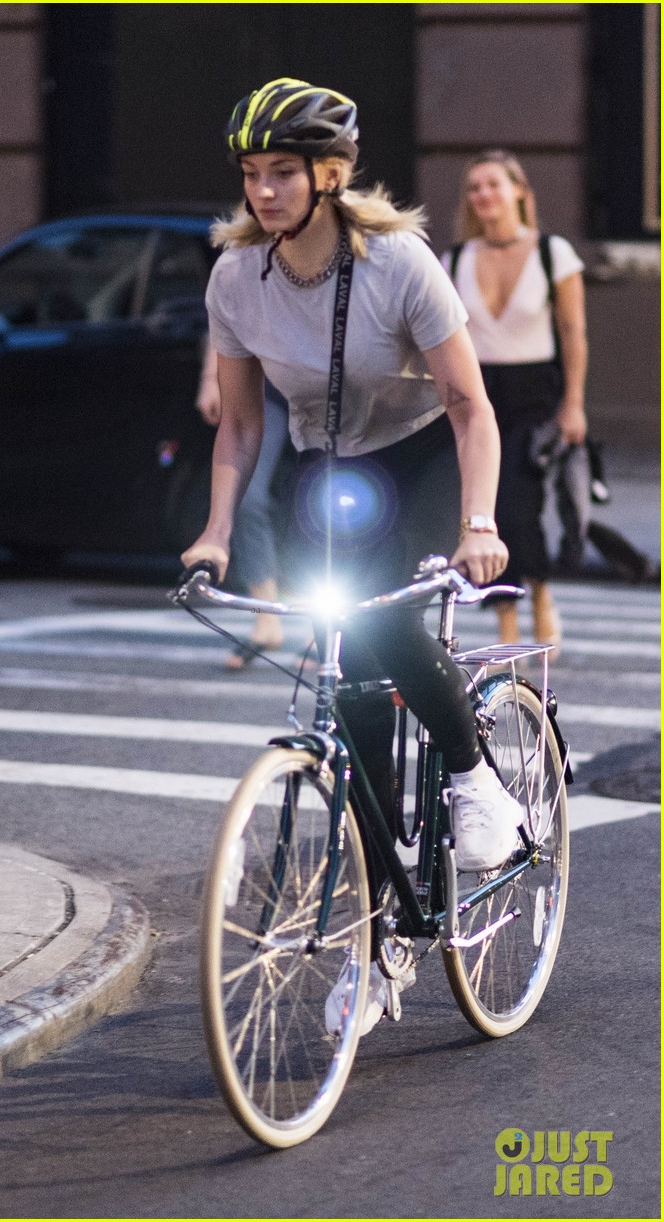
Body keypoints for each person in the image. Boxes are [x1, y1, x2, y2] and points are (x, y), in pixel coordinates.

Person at [181, 74, 525, 971]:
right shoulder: (236, 276)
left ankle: (473, 777)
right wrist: (217, 533)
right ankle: (383, 924)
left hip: (419, 457)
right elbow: (241, 425)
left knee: (387, 622)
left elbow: (470, 405)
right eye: (251, 173)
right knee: (348, 677)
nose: (262, 191)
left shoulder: (398, 263)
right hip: (325, 467)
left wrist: (478, 522)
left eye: (282, 172)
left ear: (328, 175)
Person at [441, 149, 589, 656]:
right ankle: (506, 622)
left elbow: (573, 333)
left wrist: (574, 403)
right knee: (489, 513)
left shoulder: (552, 252)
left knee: (520, 509)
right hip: (478, 395)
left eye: (493, 185)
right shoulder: (455, 260)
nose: (483, 195)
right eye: (474, 187)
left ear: (520, 192)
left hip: (536, 395)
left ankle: (541, 596)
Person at [195, 343, 291, 669]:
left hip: (334, 389)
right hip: (268, 384)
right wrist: (211, 377)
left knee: (325, 500)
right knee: (248, 495)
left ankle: (325, 630)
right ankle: (265, 618)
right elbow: (221, 317)